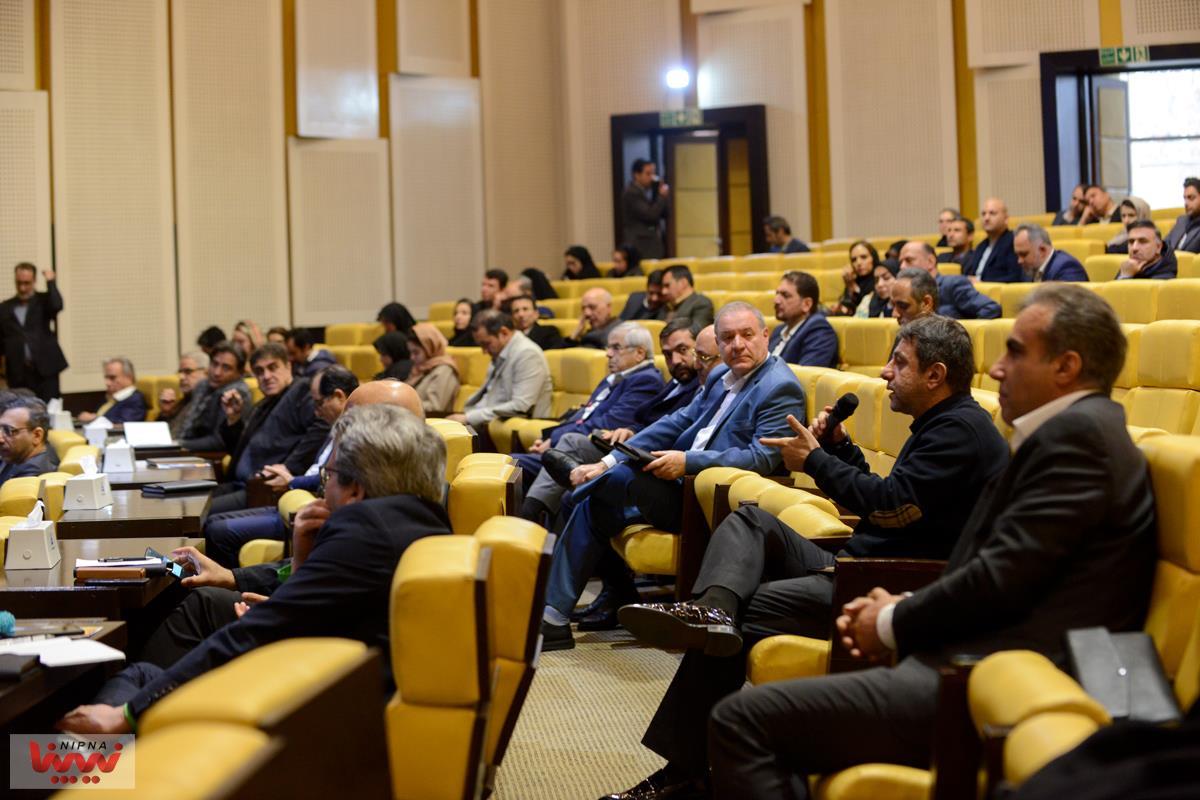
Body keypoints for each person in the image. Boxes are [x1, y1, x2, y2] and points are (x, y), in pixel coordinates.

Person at [705, 284, 1157, 799]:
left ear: (1066, 366)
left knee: (741, 719)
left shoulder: (1077, 441)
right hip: (966, 644)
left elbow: (999, 578)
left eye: (1014, 352)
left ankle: (693, 757)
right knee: (738, 604)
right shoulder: (1071, 433)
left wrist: (892, 617)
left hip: (985, 674)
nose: (997, 370)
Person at [609, 316, 1009, 799]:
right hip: (858, 561)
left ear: (935, 375)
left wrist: (814, 460)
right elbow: (892, 499)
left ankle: (684, 772)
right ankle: (710, 609)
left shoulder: (959, 432)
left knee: (742, 614)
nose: (885, 372)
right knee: (751, 521)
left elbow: (889, 508)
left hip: (879, 584)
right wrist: (838, 449)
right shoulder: (942, 422)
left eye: (899, 363)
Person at [56, 404, 452, 736]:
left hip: (315, 722)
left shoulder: (364, 529)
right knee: (149, 669)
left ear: (356, 489)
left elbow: (260, 631)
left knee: (130, 687)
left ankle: (68, 778)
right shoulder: (427, 521)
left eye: (328, 476)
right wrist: (297, 569)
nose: (323, 489)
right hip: (349, 694)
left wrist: (125, 716)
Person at [539, 301, 807, 651]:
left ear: (766, 336)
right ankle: (553, 616)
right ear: (718, 343)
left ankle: (580, 483)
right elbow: (675, 422)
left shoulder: (780, 387)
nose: (737, 344)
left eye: (747, 335)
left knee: (615, 481)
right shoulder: (720, 377)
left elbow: (762, 458)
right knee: (597, 501)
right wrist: (608, 460)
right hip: (677, 481)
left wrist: (688, 461)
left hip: (714, 499)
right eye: (727, 338)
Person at [521, 319, 706, 527]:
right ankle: (532, 520)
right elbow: (650, 421)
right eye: (668, 354)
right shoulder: (674, 382)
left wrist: (554, 438)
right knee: (516, 465)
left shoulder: (682, 384)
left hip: (650, 458)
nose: (676, 360)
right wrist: (631, 430)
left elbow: (668, 428)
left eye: (683, 350)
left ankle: (530, 515)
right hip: (628, 446)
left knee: (572, 456)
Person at [203, 366, 359, 568]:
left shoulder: (353, 435)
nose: (316, 411)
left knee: (218, 530)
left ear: (338, 396)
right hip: (291, 502)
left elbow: (327, 477)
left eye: (318, 403)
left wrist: (292, 480)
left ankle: (224, 583)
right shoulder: (334, 427)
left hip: (306, 510)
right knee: (211, 522)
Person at [210, 343, 330, 514]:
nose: (266, 376)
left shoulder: (302, 391)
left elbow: (321, 428)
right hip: (238, 484)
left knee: (201, 511)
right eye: (259, 371)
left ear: (288, 366)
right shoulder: (263, 403)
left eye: (273, 368)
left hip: (262, 489)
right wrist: (234, 419)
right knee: (191, 500)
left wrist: (289, 467)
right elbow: (236, 450)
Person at [447, 309, 553, 429]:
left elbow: (520, 405)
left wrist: (469, 418)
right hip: (489, 421)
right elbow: (489, 396)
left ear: (504, 333)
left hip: (516, 425)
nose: (484, 351)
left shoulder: (527, 354)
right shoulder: (500, 352)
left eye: (486, 344)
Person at [0, 263, 67, 401]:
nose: (22, 288)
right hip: (18, 372)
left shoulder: (43, 301)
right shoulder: (5, 307)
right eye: (19, 283)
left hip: (45, 369)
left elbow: (57, 305)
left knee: (49, 407)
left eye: (27, 283)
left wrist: (51, 282)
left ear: (34, 281)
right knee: (20, 408)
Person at [179, 342, 254, 452]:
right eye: (214, 364)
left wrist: (179, 445)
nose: (217, 372)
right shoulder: (203, 385)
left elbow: (219, 441)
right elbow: (188, 426)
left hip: (208, 456)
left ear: (239, 373)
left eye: (226, 368)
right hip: (187, 450)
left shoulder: (236, 393)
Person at [900, 241, 1000, 319]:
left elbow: (990, 309)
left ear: (930, 261)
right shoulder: (905, 292)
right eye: (900, 262)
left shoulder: (953, 284)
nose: (902, 267)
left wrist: (962, 333)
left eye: (909, 260)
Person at [769, 272, 838, 368]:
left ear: (807, 304)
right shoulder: (778, 331)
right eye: (777, 294)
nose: (776, 301)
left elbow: (807, 374)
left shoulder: (819, 331)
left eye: (785, 295)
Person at [404, 322, 460, 416]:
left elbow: (435, 407)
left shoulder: (445, 370)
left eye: (416, 352)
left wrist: (403, 404)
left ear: (430, 348)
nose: (412, 357)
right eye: (410, 352)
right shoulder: (421, 368)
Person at [0, 395, 58, 483]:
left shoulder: (31, 477)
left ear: (37, 435)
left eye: (8, 430)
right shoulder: (18, 456)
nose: (1, 439)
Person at [963, 197, 1022, 282]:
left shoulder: (1013, 242)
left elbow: (1015, 277)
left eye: (992, 213)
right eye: (983, 214)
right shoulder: (981, 246)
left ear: (1006, 219)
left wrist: (982, 282)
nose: (986, 218)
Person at [621, 158, 670, 259]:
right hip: (641, 245)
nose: (652, 177)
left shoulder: (646, 192)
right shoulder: (632, 193)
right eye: (648, 174)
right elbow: (650, 215)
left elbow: (664, 214)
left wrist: (659, 194)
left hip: (650, 244)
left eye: (653, 173)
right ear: (637, 175)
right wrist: (661, 197)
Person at [77, 357, 146, 424]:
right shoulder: (111, 397)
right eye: (106, 377)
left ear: (128, 377)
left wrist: (94, 418)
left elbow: (124, 424)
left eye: (112, 378)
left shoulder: (135, 399)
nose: (107, 383)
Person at [158, 352, 208, 439]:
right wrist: (166, 413)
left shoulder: (207, 402)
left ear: (206, 373)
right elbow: (159, 436)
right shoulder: (183, 401)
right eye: (180, 372)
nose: (181, 377)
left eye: (188, 371)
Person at [1016, 224, 1088, 282]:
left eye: (1024, 254)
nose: (1019, 261)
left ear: (1042, 250)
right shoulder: (1028, 270)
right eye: (1017, 255)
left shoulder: (1067, 268)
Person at [831, 241, 878, 315]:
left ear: (873, 258)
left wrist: (853, 286)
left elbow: (867, 308)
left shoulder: (880, 278)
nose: (858, 263)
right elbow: (848, 307)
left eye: (863, 257)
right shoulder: (854, 279)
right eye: (854, 260)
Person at [1164, 176, 1200, 254]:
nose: (1186, 203)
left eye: (1191, 198)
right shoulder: (1181, 221)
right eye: (1185, 198)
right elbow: (1164, 245)